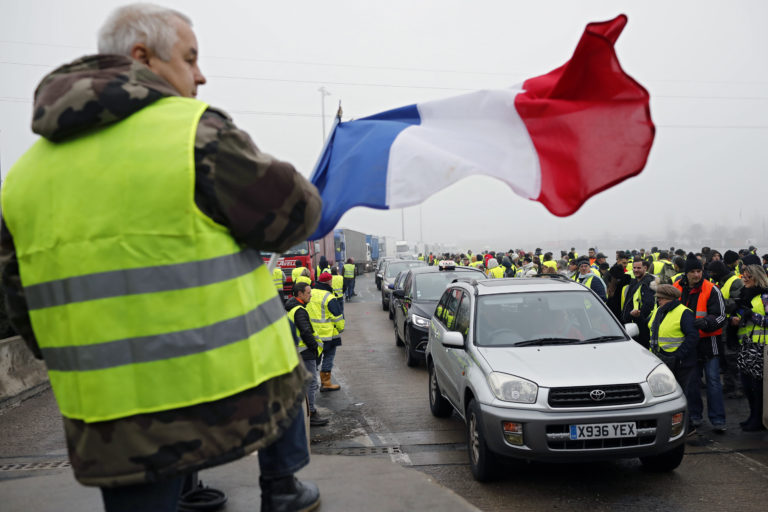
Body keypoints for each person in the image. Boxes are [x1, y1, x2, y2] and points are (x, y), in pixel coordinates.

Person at [0, 4, 322, 511]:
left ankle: (191, 488)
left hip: (110, 417)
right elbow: (295, 218)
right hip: (230, 392)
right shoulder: (194, 134)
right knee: (284, 358)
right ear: (142, 56)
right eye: (190, 58)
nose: (200, 75)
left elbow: (24, 310)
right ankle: (281, 488)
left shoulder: (21, 178)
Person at [674, 253, 728, 433]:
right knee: (691, 383)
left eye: (699, 271)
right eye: (693, 271)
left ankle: (718, 420)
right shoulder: (676, 288)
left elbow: (721, 316)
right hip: (688, 343)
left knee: (713, 381)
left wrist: (706, 323)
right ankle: (695, 417)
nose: (697, 275)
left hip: (709, 341)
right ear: (686, 273)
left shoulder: (712, 289)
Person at [731, 263, 768, 431]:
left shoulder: (765, 297)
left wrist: (751, 315)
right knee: (747, 385)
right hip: (747, 346)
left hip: (762, 347)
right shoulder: (746, 295)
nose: (744, 278)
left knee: (758, 386)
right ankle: (753, 415)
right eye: (743, 276)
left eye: (748, 276)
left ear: (757, 277)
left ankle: (758, 419)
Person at [285, 283, 328, 427]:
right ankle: (312, 414)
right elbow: (305, 331)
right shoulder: (299, 311)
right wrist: (314, 348)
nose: (310, 295)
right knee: (311, 383)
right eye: (308, 293)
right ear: (300, 294)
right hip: (305, 352)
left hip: (299, 352)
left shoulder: (293, 308)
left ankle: (308, 413)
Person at [313, 272, 344, 392]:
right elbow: (337, 316)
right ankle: (325, 383)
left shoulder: (311, 293)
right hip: (327, 335)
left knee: (314, 360)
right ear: (329, 282)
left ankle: (311, 384)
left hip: (313, 335)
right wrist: (340, 328)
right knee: (328, 357)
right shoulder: (329, 297)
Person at [620, 260, 656, 348]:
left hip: (641, 324)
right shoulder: (635, 281)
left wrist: (638, 315)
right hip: (633, 322)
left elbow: (648, 305)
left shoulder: (647, 283)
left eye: (638, 268)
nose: (636, 270)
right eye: (634, 268)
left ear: (645, 268)